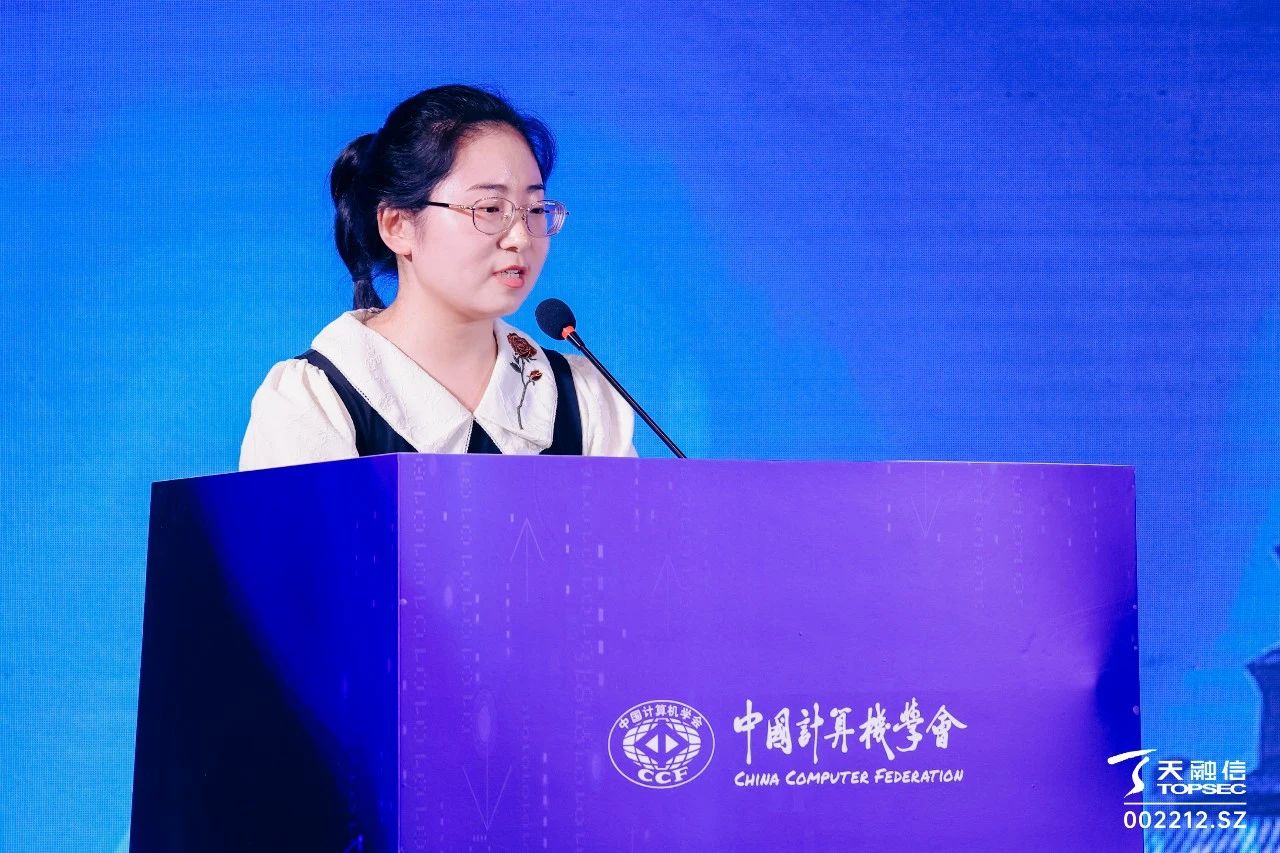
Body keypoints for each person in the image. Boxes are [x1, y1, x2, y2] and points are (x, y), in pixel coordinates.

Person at [240, 85, 636, 470]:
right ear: (397, 225)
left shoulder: (583, 397)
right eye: (490, 208)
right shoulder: (316, 400)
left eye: (534, 209)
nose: (520, 237)